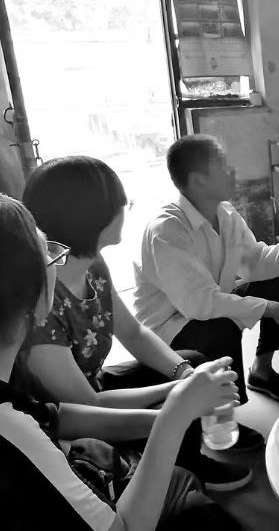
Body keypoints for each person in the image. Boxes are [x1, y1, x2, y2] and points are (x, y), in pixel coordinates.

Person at [0, 193, 241, 530]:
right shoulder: (13, 431)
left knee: (189, 364)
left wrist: (179, 391)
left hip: (86, 409)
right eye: (49, 255)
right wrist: (174, 415)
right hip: (88, 444)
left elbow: (55, 416)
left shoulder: (12, 396)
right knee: (203, 513)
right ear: (32, 290)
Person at [134, 134, 279, 404]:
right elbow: (200, 303)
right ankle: (225, 410)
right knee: (221, 328)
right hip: (169, 329)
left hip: (207, 305)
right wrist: (272, 309)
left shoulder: (226, 214)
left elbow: (254, 263)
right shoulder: (167, 229)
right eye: (222, 165)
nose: (232, 170)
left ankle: (262, 371)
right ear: (198, 180)